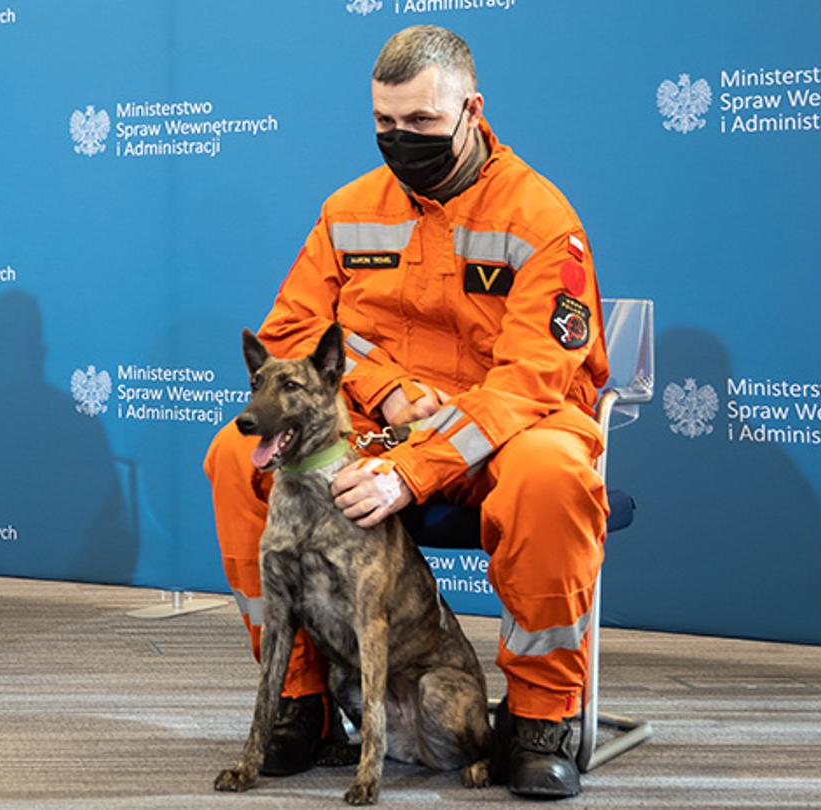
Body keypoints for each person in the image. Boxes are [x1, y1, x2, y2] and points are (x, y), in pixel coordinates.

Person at [202, 26, 609, 799]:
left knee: (551, 477)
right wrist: (383, 384)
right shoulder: (349, 209)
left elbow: (530, 379)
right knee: (234, 456)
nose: (401, 138)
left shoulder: (539, 217)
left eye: (421, 121)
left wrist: (410, 470)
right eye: (385, 122)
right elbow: (292, 334)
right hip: (384, 425)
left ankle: (540, 717)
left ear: (471, 110)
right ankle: (299, 700)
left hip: (509, 427)